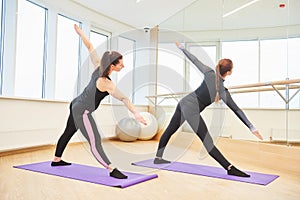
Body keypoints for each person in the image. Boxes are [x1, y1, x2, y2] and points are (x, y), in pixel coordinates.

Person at [154, 42, 263, 178]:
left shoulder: (209, 73)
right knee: (207, 141)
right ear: (229, 72)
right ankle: (229, 168)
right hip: (190, 109)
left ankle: (158, 158)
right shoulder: (222, 91)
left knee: (170, 130)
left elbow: (195, 60)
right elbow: (237, 110)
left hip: (184, 103)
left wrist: (182, 47)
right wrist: (252, 128)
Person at [51, 24, 147, 179]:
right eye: (120, 64)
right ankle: (111, 169)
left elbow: (90, 46)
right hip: (81, 111)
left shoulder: (98, 65)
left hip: (75, 103)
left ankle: (57, 160)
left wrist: (81, 33)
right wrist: (136, 113)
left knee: (68, 131)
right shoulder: (105, 82)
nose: (123, 66)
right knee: (95, 140)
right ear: (112, 65)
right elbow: (124, 98)